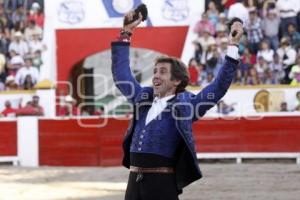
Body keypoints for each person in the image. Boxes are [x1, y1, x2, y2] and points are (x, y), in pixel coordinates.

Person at [111, 11, 243, 200]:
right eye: (155, 71)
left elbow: (218, 86)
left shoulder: (187, 106)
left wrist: (233, 46)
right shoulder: (142, 99)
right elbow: (121, 75)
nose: (156, 75)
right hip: (133, 182)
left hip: (162, 185)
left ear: (176, 81)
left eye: (162, 72)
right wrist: (126, 32)